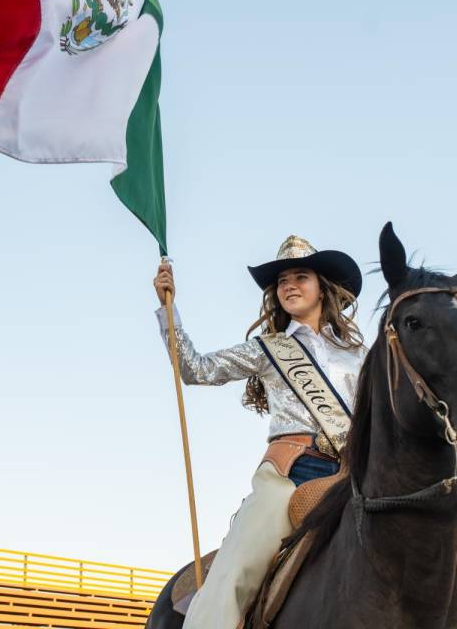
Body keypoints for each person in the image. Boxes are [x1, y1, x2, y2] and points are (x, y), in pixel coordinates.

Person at [153, 235, 366, 628]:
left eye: (301, 276)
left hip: (353, 476)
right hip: (288, 474)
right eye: (282, 280)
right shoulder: (268, 349)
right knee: (236, 570)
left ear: (323, 288)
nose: (289, 285)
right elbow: (195, 369)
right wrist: (170, 312)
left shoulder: (359, 355)